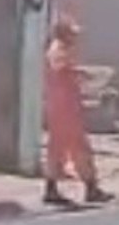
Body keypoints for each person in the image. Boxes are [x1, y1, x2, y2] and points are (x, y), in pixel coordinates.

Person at [42, 11, 111, 209]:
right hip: (63, 107)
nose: (75, 38)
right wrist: (82, 73)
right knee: (77, 148)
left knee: (60, 149)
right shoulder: (58, 50)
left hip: (63, 106)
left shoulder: (60, 50)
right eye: (72, 34)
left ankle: (54, 187)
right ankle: (89, 187)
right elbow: (62, 70)